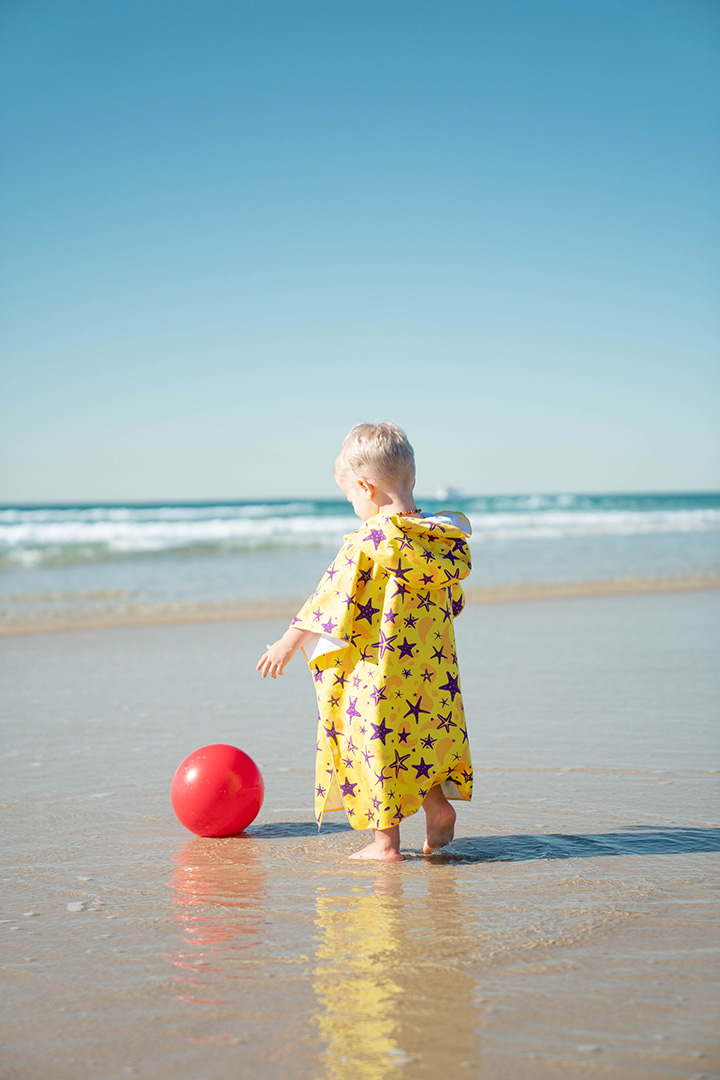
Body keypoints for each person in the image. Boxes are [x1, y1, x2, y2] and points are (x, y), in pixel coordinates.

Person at [256, 422, 473, 861]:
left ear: (364, 486)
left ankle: (385, 844)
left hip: (378, 673)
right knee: (418, 741)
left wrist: (286, 642)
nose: (354, 504)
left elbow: (326, 602)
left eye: (351, 497)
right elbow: (455, 603)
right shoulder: (438, 541)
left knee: (376, 743)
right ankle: (437, 808)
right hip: (431, 674)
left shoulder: (367, 541)